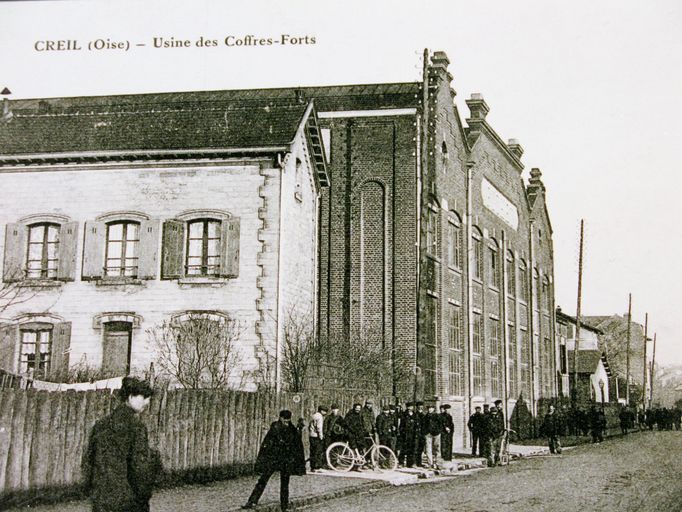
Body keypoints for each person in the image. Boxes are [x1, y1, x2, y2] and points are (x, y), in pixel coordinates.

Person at [81, 376, 161, 512]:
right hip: (128, 502)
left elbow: (88, 462)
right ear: (130, 397)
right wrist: (144, 497)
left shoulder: (100, 425)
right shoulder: (136, 427)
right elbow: (140, 468)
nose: (147, 402)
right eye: (144, 397)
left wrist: (94, 493)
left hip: (102, 500)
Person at [242, 410, 306, 511]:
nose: (286, 422)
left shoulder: (291, 428)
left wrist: (299, 429)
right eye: (285, 420)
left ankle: (284, 506)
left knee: (284, 483)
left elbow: (296, 442)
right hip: (273, 459)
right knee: (263, 480)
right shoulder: (275, 427)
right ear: (280, 418)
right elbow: (269, 443)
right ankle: (252, 501)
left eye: (288, 421)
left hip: (284, 459)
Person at [398, 402, 421, 468]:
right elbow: (401, 425)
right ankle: (401, 463)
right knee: (403, 449)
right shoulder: (404, 415)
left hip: (413, 435)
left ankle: (411, 463)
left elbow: (417, 424)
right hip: (405, 435)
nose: (410, 408)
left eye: (411, 407)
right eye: (409, 407)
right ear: (407, 407)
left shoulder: (415, 415)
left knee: (412, 450)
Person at [308, 405, 328, 472]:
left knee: (312, 452)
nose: (325, 413)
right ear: (322, 411)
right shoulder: (320, 417)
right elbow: (319, 428)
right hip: (316, 436)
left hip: (311, 435)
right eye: (325, 411)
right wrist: (321, 436)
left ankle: (312, 467)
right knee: (318, 452)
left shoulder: (314, 415)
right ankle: (317, 467)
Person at [423, 404, 443, 469]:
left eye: (431, 408)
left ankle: (437, 463)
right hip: (428, 434)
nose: (429, 409)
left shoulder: (437, 416)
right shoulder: (425, 416)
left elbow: (441, 424)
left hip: (436, 434)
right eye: (428, 408)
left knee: (437, 449)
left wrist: (438, 431)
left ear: (433, 409)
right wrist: (425, 432)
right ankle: (430, 464)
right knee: (428, 449)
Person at [415, 401, 427, 466]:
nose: (420, 408)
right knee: (415, 448)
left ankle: (419, 463)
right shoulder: (415, 415)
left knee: (421, 449)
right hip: (416, 434)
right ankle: (415, 463)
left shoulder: (423, 415)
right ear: (417, 408)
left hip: (422, 435)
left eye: (421, 407)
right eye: (419, 407)